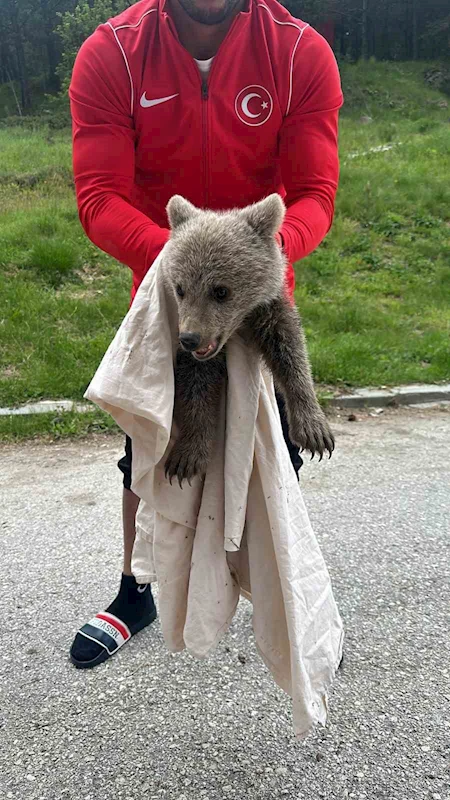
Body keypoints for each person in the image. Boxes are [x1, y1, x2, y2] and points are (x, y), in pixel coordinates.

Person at [68, 0, 342, 668]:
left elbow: (314, 193)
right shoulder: (114, 53)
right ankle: (137, 591)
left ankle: (284, 596)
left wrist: (269, 257)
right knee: (150, 453)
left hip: (251, 288)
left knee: (274, 459)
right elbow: (100, 196)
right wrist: (179, 261)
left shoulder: (298, 51)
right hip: (169, 290)